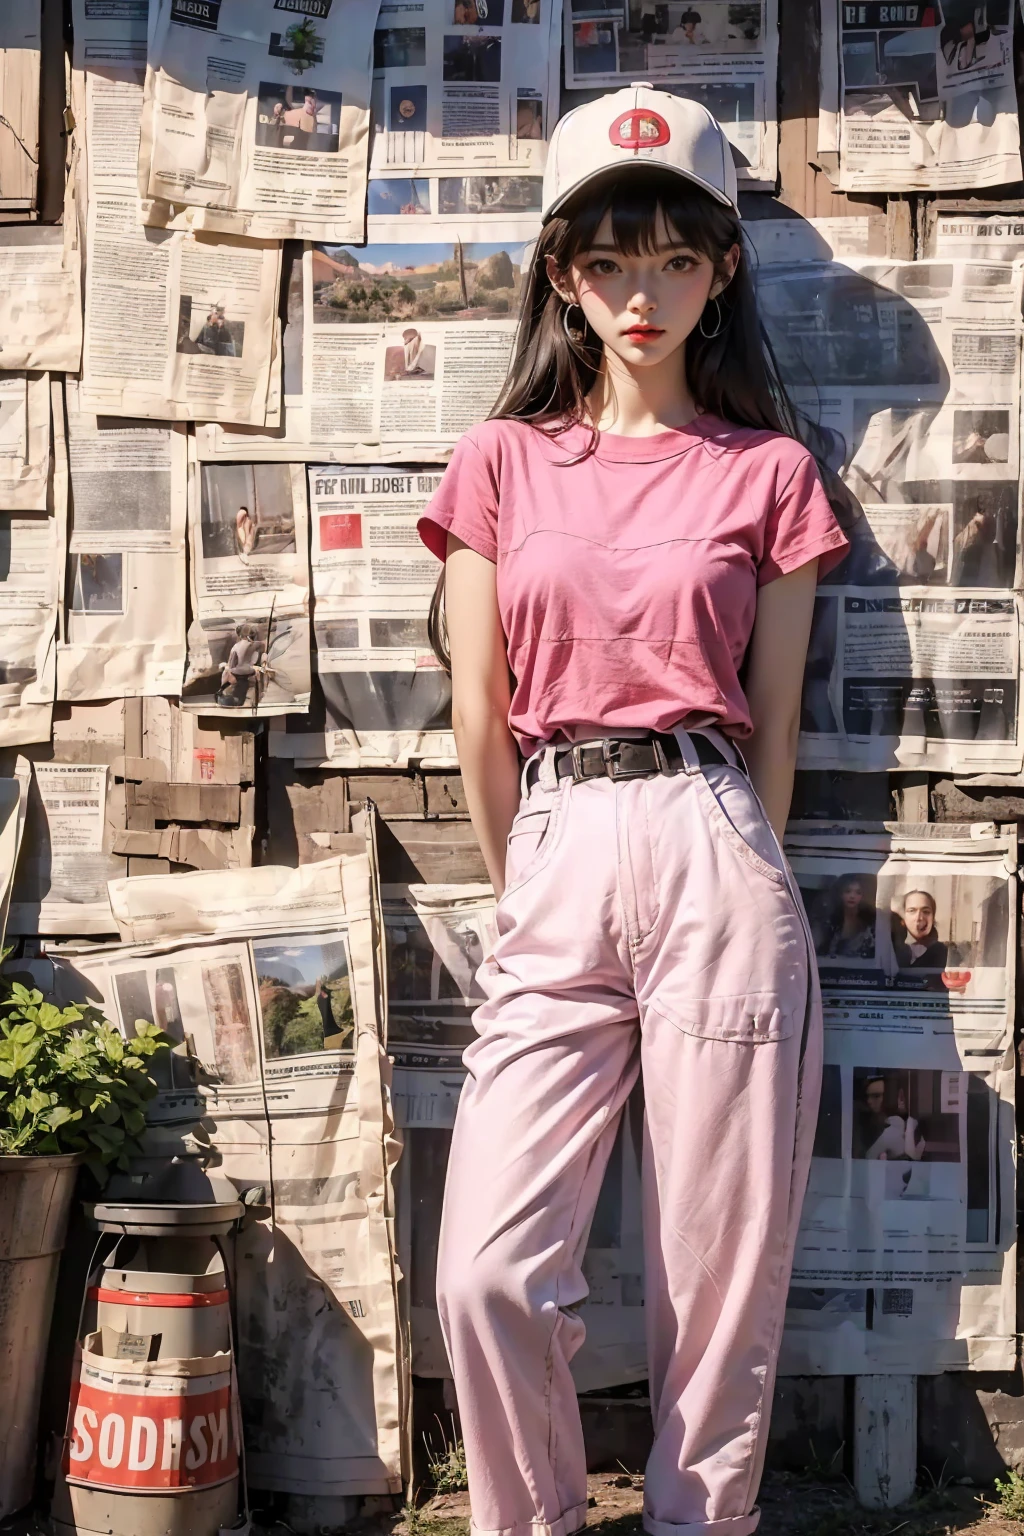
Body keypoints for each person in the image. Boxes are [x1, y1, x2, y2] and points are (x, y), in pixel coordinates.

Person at [417, 87, 850, 1536]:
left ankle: (697, 1524)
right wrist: (527, 868)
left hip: (718, 835)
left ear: (722, 270)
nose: (641, 293)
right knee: (485, 1267)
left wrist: (749, 865)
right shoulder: (502, 463)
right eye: (610, 261)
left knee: (719, 1268)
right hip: (554, 836)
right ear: (563, 273)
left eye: (675, 258)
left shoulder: (770, 475)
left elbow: (776, 718)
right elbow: (479, 711)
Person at [854, 1075, 925, 1160]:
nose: (869, 1101)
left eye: (876, 1096)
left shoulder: (897, 1127)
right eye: (867, 1096)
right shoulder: (863, 1124)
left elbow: (869, 1156)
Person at [813, 873, 876, 958]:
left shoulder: (870, 923)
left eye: (858, 892)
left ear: (863, 896)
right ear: (840, 894)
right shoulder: (827, 922)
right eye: (847, 891)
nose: (852, 896)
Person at [893, 888, 949, 969]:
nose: (919, 917)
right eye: (912, 911)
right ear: (903, 917)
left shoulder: (945, 953)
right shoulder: (892, 952)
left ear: (933, 917)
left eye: (926, 911)